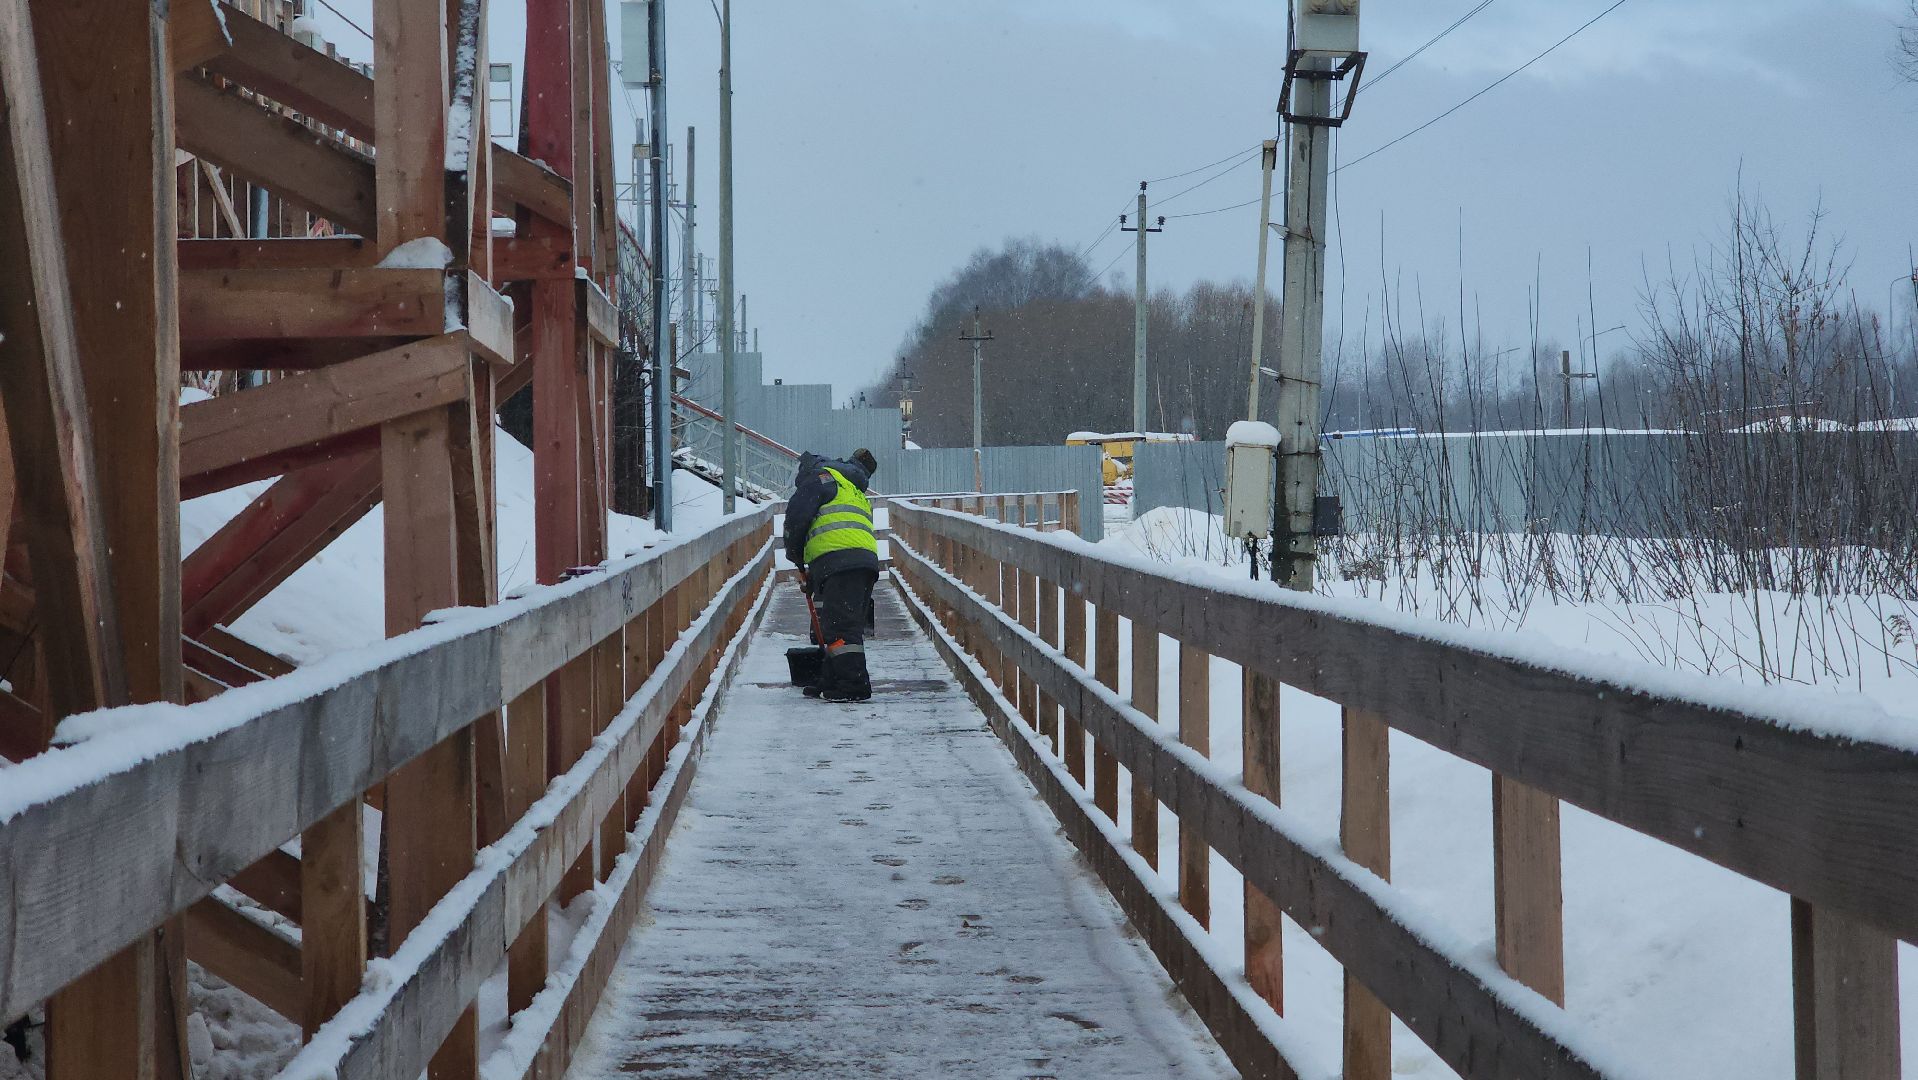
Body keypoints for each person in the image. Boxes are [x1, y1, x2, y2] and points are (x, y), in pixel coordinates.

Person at [785, 448, 880, 701]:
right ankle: (829, 680)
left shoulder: (820, 478)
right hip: (859, 561)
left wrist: (795, 556)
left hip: (840, 562)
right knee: (833, 624)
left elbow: (796, 518)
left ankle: (853, 686)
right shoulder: (851, 487)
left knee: (841, 628)